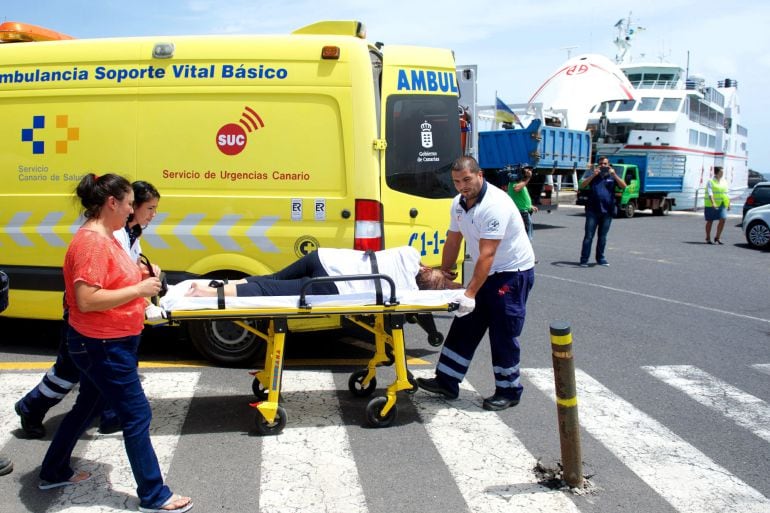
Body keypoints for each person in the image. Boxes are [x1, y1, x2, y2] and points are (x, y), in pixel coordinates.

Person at [37, 174, 192, 513]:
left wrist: (140, 277)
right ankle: (154, 495)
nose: (130, 210)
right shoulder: (92, 242)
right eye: (127, 204)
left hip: (105, 342)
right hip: (103, 345)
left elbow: (110, 279)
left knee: (88, 406)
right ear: (111, 203)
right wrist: (139, 290)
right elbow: (87, 299)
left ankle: (53, 470)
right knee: (137, 414)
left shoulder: (108, 236)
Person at [15, 181, 162, 438]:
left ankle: (108, 416)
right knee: (68, 373)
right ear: (124, 205)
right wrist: (139, 288)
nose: (152, 214)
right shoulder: (106, 234)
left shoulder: (130, 231)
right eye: (147, 208)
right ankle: (31, 407)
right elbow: (94, 291)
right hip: (88, 321)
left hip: (110, 321)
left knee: (95, 383)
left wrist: (143, 270)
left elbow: (127, 266)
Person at [416, 156, 536, 411]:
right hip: (488, 271)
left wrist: (469, 293)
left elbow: (487, 255)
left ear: (480, 175)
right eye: (457, 182)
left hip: (510, 273)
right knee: (466, 322)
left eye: (467, 180)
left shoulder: (495, 205)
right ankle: (447, 381)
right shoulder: (458, 204)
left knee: (503, 331)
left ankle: (509, 390)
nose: (462, 186)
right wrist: (444, 272)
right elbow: (453, 240)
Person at [184, 246, 461, 298]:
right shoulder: (405, 292)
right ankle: (208, 292)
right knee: (270, 291)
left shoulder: (410, 255)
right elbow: (426, 291)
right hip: (335, 286)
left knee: (273, 279)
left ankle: (223, 283)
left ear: (425, 268)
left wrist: (444, 275)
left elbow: (431, 273)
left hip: (325, 257)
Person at [579, 156, 626, 267]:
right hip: (593, 210)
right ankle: (584, 259)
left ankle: (600, 258)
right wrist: (593, 175)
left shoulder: (612, 176)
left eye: (605, 164)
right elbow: (582, 185)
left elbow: (624, 186)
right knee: (588, 236)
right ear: (598, 165)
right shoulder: (593, 175)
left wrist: (614, 174)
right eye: (601, 164)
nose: (603, 166)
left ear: (609, 165)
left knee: (603, 236)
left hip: (607, 210)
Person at [508, 166, 538, 241]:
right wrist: (527, 178)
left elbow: (520, 197)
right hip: (522, 212)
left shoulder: (520, 183)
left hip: (524, 210)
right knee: (527, 235)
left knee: (527, 232)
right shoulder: (514, 183)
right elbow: (517, 188)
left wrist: (529, 206)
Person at [704, 166, 730, 244]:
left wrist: (728, 203)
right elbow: (710, 193)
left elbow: (726, 193)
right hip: (711, 204)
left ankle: (717, 237)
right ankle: (708, 237)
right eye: (721, 172)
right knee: (710, 221)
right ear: (717, 172)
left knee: (723, 218)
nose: (722, 173)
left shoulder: (724, 181)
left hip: (722, 203)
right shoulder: (710, 181)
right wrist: (713, 203)